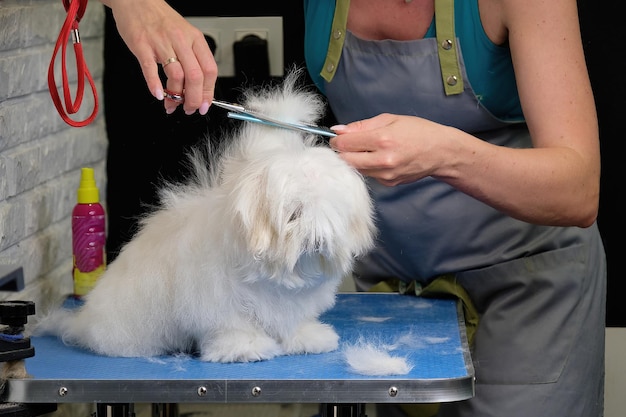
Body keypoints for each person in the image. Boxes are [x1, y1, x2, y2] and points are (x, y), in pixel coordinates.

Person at [99, 0, 606, 416]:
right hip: (389, 294)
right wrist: (134, 6)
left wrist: (445, 153)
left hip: (525, 291)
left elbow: (578, 190)